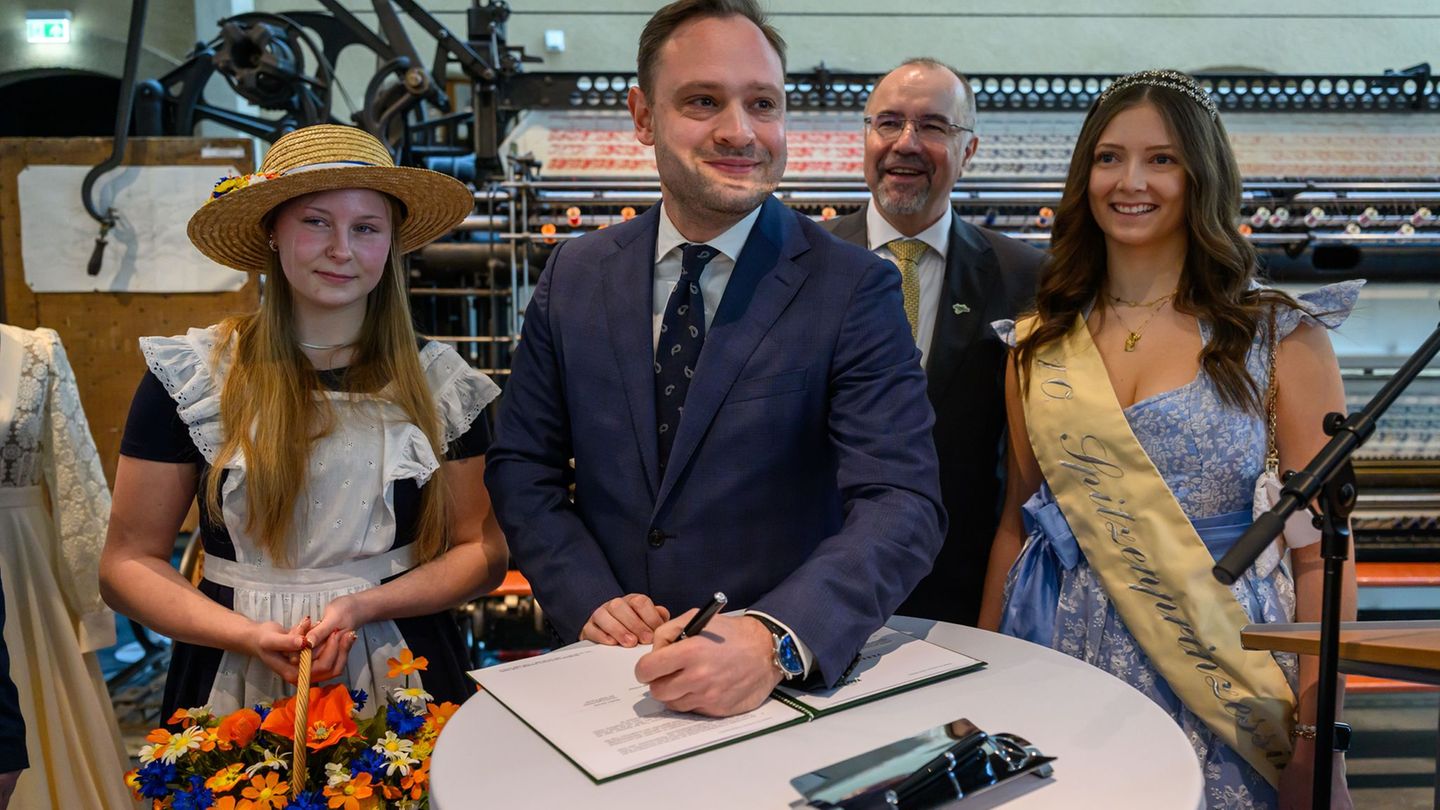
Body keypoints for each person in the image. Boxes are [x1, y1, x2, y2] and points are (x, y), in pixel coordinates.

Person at [485, 0, 944, 719]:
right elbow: (522, 466)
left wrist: (775, 639)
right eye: (704, 101)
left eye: (762, 103)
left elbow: (902, 502)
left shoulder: (851, 288)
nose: (739, 131)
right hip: (606, 676)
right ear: (642, 116)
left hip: (773, 695)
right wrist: (590, 598)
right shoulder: (574, 276)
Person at [976, 69, 1358, 808]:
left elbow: (1323, 560)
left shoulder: (1279, 334)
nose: (1131, 181)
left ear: (1200, 176)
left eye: (1162, 159)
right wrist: (982, 685)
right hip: (1063, 654)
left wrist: (1319, 738)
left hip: (1219, 667)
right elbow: (1013, 529)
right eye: (1109, 157)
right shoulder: (1039, 344)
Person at [101, 124, 509, 719]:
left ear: (391, 245)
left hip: (404, 668)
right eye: (316, 221)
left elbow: (481, 552)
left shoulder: (441, 383)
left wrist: (365, 605)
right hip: (227, 670)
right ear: (272, 231)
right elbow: (126, 563)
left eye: (365, 228)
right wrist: (243, 634)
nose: (341, 249)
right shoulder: (195, 376)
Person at [822, 58, 1044, 626]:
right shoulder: (800, 264)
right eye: (888, 123)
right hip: (815, 581)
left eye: (934, 127)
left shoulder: (1028, 280)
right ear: (865, 137)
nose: (906, 144)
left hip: (964, 594)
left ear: (969, 151)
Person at [0, 323, 133, 808]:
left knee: (37, 707)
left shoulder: (36, 351)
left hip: (21, 567)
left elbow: (77, 483)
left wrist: (92, 604)